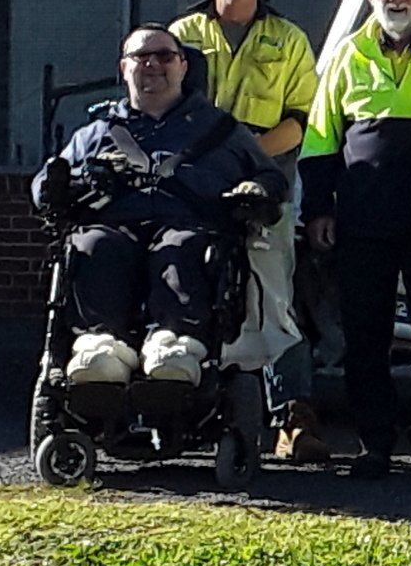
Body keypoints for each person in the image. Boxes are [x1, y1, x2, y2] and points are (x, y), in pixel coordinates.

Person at [32, 23, 287, 384]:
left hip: (189, 229)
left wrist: (256, 191)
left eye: (164, 56)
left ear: (183, 65)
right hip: (114, 229)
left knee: (181, 246)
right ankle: (102, 347)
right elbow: (44, 184)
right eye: (141, 56)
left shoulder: (222, 130)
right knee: (93, 244)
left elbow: (271, 176)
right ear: (124, 68)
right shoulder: (95, 134)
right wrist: (61, 187)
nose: (153, 64)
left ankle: (176, 345)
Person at [300, 0, 411, 481]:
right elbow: (321, 138)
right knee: (365, 338)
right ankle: (376, 444)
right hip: (363, 223)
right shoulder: (348, 54)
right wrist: (319, 208)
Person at [171, 0, 323, 461]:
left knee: (272, 293)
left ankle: (292, 417)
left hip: (265, 181)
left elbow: (303, 118)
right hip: (192, 180)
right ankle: (185, 401)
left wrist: (248, 155)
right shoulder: (181, 35)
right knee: (187, 282)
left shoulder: (289, 39)